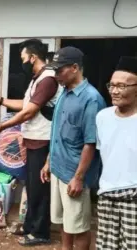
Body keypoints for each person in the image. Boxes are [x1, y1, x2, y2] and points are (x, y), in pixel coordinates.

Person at [0, 39, 62, 246]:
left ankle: (40, 232)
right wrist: (0, 100)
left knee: (39, 188)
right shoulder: (36, 79)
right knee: (32, 187)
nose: (23, 62)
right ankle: (30, 226)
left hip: (42, 141)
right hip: (33, 141)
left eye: (23, 58)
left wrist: (1, 126)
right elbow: (25, 104)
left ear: (33, 57)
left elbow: (29, 111)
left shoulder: (47, 79)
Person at [41, 47, 106, 250]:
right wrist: (48, 162)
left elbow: (91, 143)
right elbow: (57, 133)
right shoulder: (65, 93)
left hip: (74, 174)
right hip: (59, 169)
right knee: (64, 223)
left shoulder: (91, 99)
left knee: (79, 228)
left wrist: (78, 178)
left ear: (75, 68)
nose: (56, 75)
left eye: (60, 70)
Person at [95, 56, 137, 250]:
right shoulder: (103, 117)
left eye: (121, 86)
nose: (114, 91)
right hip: (106, 195)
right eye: (111, 85)